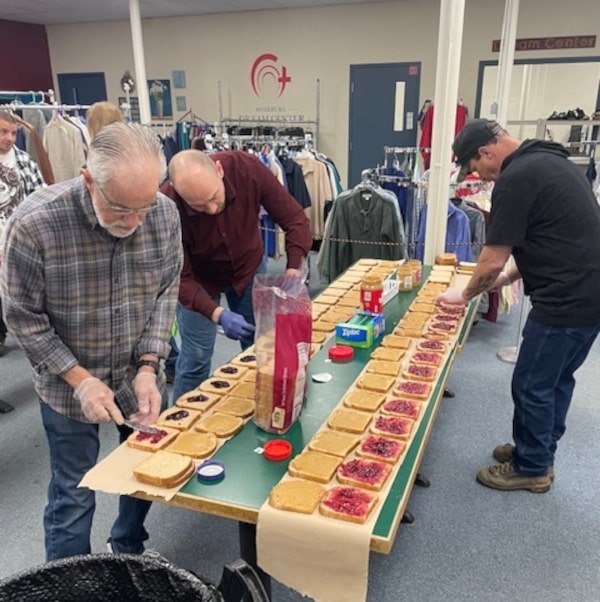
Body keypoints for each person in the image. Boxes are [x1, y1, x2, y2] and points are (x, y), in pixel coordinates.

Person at [0, 122, 183, 560]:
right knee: (74, 490)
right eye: (122, 208)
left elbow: (165, 291)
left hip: (133, 375)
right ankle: (66, 580)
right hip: (66, 387)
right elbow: (22, 317)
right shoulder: (34, 224)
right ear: (88, 179)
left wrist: (148, 366)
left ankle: (127, 548)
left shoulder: (163, 214)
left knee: (141, 469)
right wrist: (79, 379)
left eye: (145, 206)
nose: (136, 222)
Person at [436, 118, 600, 493]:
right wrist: (506, 280)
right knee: (556, 380)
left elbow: (492, 259)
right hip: (589, 294)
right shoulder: (549, 160)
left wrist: (464, 296)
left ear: (486, 151)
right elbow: (545, 241)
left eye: (477, 168)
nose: (483, 178)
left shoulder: (516, 178)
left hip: (565, 300)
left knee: (532, 383)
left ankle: (532, 467)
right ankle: (538, 451)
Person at [161, 149, 312, 401]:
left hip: (247, 267)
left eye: (213, 197)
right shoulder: (166, 203)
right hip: (199, 279)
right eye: (199, 206)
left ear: (219, 170)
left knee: (262, 348)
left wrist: (294, 269)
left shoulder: (247, 169)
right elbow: (179, 278)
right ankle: (180, 429)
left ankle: (267, 405)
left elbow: (295, 218)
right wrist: (217, 314)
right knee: (195, 358)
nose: (211, 209)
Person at [0, 109, 45, 355]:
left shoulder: (25, 162)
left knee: (23, 300)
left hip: (20, 243)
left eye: (13, 133)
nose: (10, 138)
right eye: (3, 132)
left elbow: (41, 200)